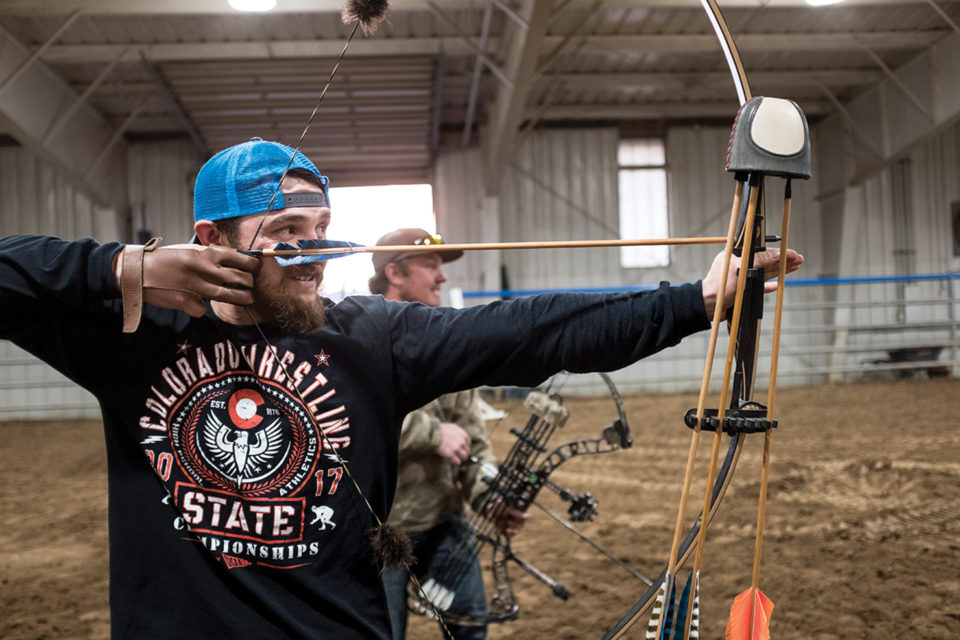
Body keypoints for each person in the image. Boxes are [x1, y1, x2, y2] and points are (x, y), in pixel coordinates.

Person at [0, 138, 803, 640]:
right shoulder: (134, 332)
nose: (314, 254)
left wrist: (695, 301)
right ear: (209, 241)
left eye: (320, 234)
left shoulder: (369, 333)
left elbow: (528, 331)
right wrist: (121, 268)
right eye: (286, 235)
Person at [370, 228, 528, 639]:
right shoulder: (359, 339)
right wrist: (431, 432)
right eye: (431, 265)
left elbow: (473, 437)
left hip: (446, 518)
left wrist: (490, 497)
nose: (442, 277)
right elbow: (348, 418)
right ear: (395, 273)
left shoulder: (447, 341)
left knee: (470, 628)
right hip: (380, 527)